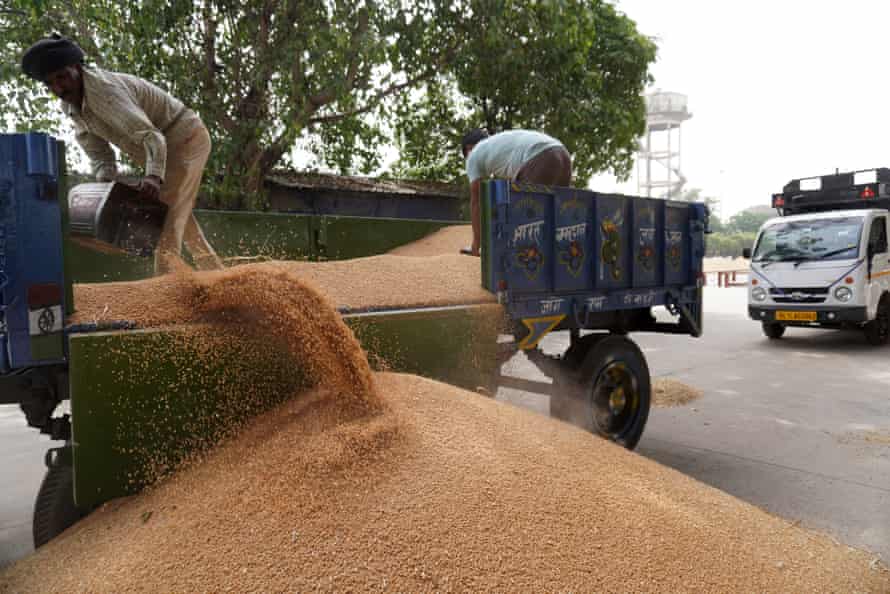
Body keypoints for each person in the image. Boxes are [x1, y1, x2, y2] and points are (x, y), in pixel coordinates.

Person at [21, 34, 222, 272]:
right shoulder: (71, 106)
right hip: (158, 148)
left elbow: (152, 136)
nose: (58, 88)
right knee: (179, 215)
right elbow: (96, 149)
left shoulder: (105, 93)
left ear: (77, 68)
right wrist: (106, 176)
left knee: (167, 219)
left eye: (62, 77)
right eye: (50, 83)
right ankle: (214, 272)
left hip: (184, 137)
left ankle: (166, 287)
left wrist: (153, 177)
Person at [461, 128, 572, 256]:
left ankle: (519, 266)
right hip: (563, 154)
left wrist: (476, 244)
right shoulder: (500, 145)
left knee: (522, 219)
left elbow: (476, 201)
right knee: (558, 214)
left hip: (539, 157)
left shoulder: (473, 156)